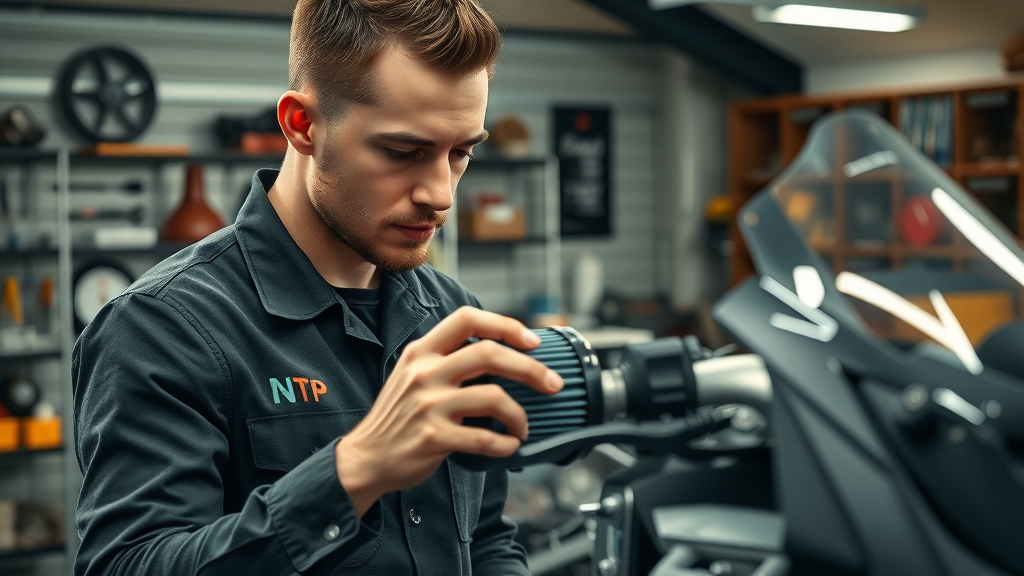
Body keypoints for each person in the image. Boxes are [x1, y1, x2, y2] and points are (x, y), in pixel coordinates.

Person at [71, 1, 564, 574]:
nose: (441, 193)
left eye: (461, 153)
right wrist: (353, 471)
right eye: (404, 152)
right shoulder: (162, 329)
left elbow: (486, 540)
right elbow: (127, 565)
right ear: (301, 125)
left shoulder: (453, 315)